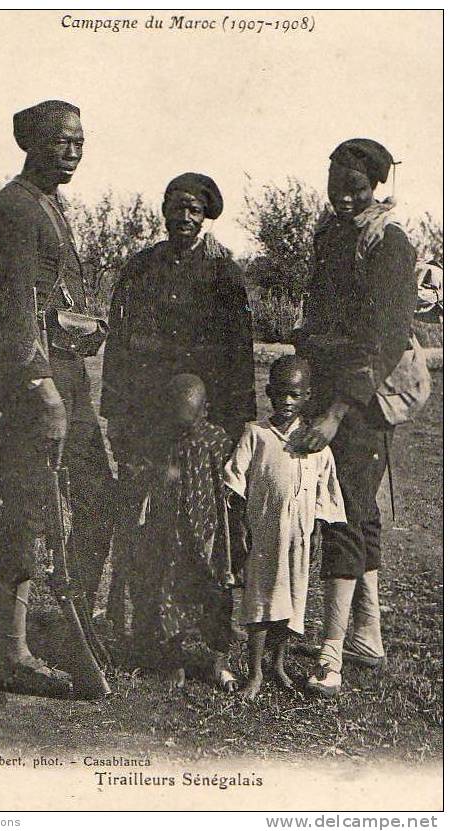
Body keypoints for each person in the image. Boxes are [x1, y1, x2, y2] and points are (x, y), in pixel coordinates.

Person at [0, 100, 114, 692]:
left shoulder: (49, 204)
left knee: (95, 497)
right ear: (32, 143)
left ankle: (69, 624)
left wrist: (73, 328)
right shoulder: (15, 207)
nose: (73, 152)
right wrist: (40, 385)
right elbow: (12, 307)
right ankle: (13, 651)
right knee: (29, 507)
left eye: (80, 142)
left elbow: (43, 303)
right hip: (38, 387)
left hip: (66, 377)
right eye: (62, 141)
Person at [101, 172, 256, 633]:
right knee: (145, 519)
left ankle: (207, 630)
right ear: (164, 211)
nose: (185, 217)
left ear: (206, 216)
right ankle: (137, 622)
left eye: (194, 209)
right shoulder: (141, 269)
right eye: (177, 207)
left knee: (205, 525)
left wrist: (237, 424)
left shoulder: (223, 275)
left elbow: (239, 355)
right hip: (147, 416)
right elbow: (120, 348)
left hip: (203, 425)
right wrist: (116, 414)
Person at [290, 138, 417, 696]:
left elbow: (381, 341)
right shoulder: (330, 237)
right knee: (359, 514)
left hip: (361, 401)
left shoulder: (389, 244)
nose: (344, 196)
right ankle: (368, 634)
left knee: (342, 513)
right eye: (336, 185)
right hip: (326, 386)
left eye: (357, 188)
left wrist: (339, 412)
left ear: (375, 187)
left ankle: (331, 653)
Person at [224, 356, 346, 701]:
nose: (287, 402)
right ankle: (255, 673)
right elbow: (234, 482)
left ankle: (277, 664)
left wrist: (319, 531)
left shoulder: (316, 444)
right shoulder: (257, 435)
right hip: (264, 537)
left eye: (294, 395)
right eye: (279, 394)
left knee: (291, 604)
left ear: (307, 396)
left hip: (300, 539)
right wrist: (240, 528)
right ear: (268, 393)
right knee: (261, 604)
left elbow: (326, 493)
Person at [129, 374, 237, 691]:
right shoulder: (160, 441)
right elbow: (137, 472)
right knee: (169, 595)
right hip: (170, 537)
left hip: (209, 535)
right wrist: (158, 472)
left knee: (217, 595)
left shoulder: (216, 441)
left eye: (187, 424)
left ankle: (218, 661)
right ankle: (173, 660)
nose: (181, 430)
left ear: (205, 411)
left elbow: (232, 483)